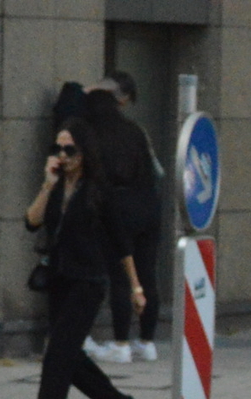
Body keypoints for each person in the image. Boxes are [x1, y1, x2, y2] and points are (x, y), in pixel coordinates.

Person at [21, 125, 141, 399]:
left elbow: (121, 243)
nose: (62, 156)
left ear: (84, 153)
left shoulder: (99, 191)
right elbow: (31, 221)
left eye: (69, 150)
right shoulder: (57, 188)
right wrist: (47, 184)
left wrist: (136, 287)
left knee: (57, 354)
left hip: (88, 283)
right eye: (57, 149)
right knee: (67, 356)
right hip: (60, 280)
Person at [84, 80, 164, 362]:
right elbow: (155, 170)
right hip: (148, 204)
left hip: (118, 207)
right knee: (147, 273)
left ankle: (120, 343)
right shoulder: (135, 130)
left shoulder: (94, 135)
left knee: (120, 276)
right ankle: (147, 341)